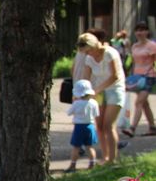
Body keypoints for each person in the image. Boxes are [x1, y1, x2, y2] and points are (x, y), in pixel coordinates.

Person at [78, 32, 125, 163]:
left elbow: (115, 76)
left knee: (109, 125)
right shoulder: (89, 58)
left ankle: (112, 159)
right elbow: (86, 77)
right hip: (98, 92)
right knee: (99, 125)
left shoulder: (110, 53)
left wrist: (96, 90)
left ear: (94, 46)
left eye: (89, 51)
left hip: (115, 89)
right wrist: (82, 93)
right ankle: (104, 158)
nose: (88, 54)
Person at [124, 22, 156, 138]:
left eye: (142, 30)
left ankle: (132, 128)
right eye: (137, 30)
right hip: (137, 78)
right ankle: (152, 127)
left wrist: (154, 72)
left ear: (147, 32)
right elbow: (132, 62)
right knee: (144, 104)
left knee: (138, 102)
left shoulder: (152, 45)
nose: (140, 33)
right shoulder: (134, 46)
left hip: (149, 77)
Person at [66, 79, 99, 172]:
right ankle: (92, 163)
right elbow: (96, 114)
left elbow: (69, 113)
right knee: (90, 146)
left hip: (79, 126)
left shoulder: (76, 103)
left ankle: (73, 165)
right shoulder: (94, 102)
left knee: (76, 147)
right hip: (90, 126)